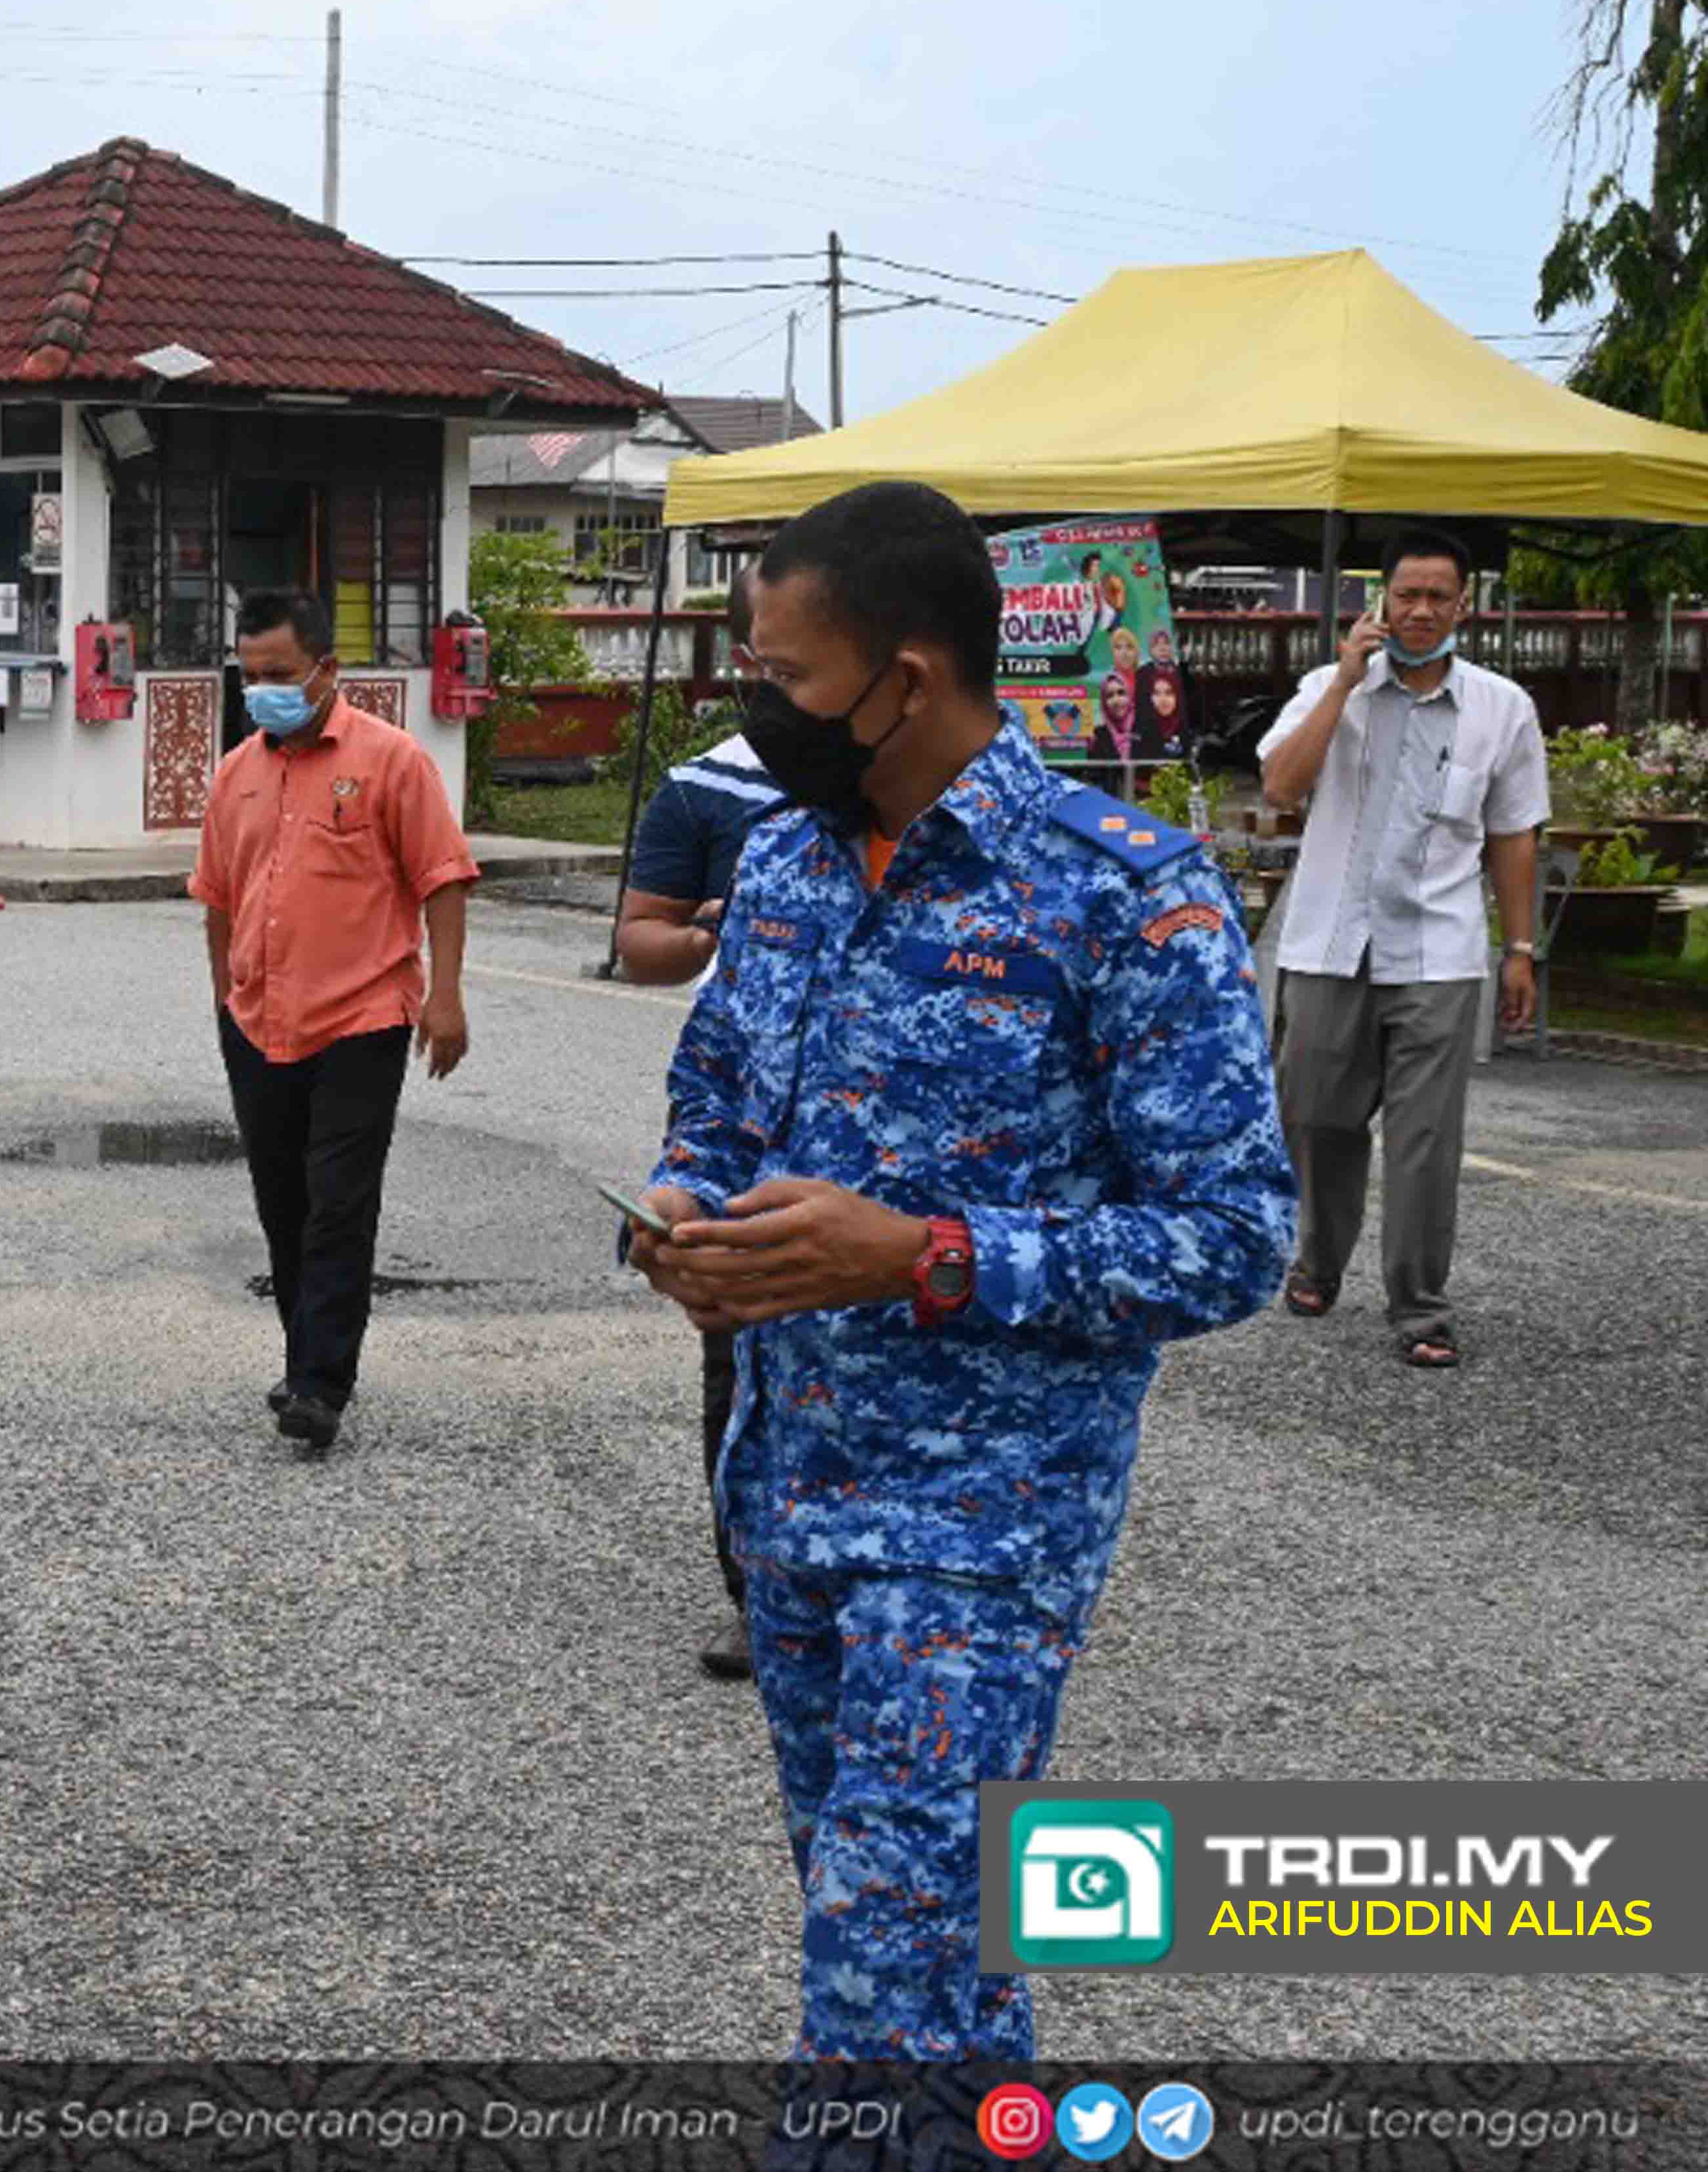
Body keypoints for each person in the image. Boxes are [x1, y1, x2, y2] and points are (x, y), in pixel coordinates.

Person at [629, 481, 1294, 2061]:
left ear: (906, 678)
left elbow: (1234, 1235)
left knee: (881, 1967)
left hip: (982, 1526)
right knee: (925, 1952)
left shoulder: (1125, 893)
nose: (760, 712)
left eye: (786, 679)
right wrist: (678, 1218)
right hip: (786, 1492)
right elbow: (714, 1102)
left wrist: (923, 1256)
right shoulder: (785, 868)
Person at [192, 588, 482, 1453]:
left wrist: (447, 995)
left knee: (338, 1206)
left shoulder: (392, 762)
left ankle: (322, 1384)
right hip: (256, 1021)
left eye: (280, 674)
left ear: (328, 670)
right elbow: (215, 897)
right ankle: (302, 1352)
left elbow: (444, 877)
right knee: (282, 1202)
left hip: (362, 1016)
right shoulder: (236, 772)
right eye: (250, 677)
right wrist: (223, 1000)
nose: (264, 691)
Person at [1255, 530, 1548, 1369]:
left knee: (1425, 1140)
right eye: (1406, 595)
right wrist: (1346, 680)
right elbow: (1280, 786)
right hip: (1328, 944)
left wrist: (1518, 947)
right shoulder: (1327, 686)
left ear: (1465, 607)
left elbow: (1514, 832)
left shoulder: (1502, 707)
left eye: (1438, 597)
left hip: (1439, 952)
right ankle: (1317, 1261)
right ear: (1377, 601)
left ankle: (1420, 1308)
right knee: (1316, 1116)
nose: (1421, 612)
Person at [611, 560, 779, 1683]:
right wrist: (716, 933)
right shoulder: (703, 790)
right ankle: (752, 1587)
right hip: (743, 1116)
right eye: (765, 662)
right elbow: (641, 944)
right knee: (736, 1354)